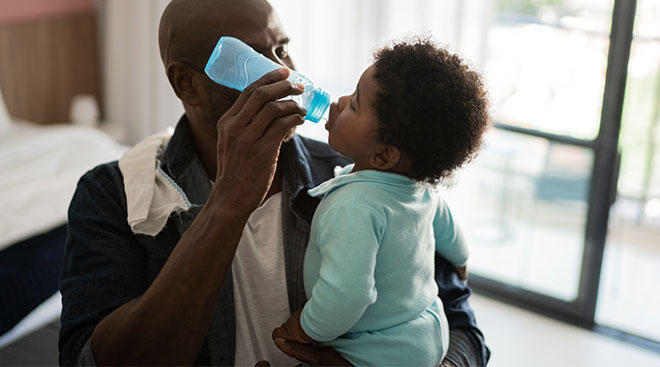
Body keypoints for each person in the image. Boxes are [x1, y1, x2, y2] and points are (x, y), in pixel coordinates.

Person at [58, 0, 490, 365]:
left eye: (282, 49)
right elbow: (90, 358)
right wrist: (229, 202)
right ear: (187, 84)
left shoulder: (360, 175)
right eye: (253, 59)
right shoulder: (112, 197)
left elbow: (461, 327)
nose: (285, 74)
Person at [271, 39, 489, 366]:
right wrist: (461, 260)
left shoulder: (353, 206)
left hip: (378, 351)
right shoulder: (421, 190)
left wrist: (305, 327)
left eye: (355, 104)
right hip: (428, 331)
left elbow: (347, 294)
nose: (340, 101)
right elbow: (449, 231)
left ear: (384, 155)